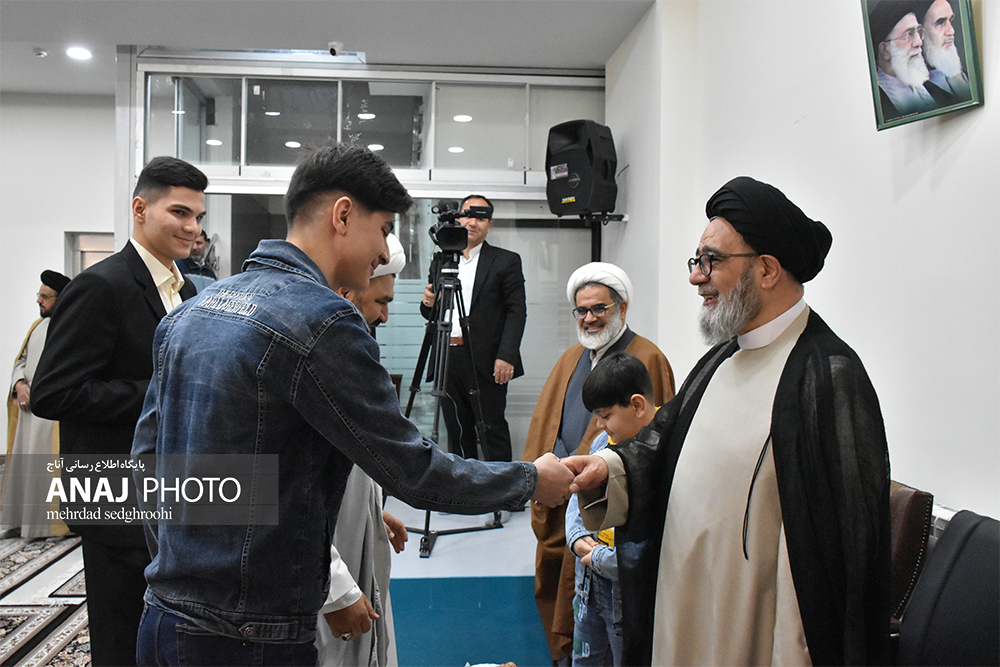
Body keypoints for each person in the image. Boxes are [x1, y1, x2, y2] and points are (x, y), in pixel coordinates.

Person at [131, 143, 573, 666]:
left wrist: (186, 573)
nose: (385, 252)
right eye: (383, 229)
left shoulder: (194, 309)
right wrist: (529, 479)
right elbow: (413, 470)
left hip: (163, 617)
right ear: (342, 215)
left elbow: (148, 466)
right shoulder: (323, 320)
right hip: (251, 636)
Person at [566, 176, 891, 666]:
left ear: (766, 269)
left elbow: (843, 552)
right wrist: (607, 469)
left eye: (711, 261)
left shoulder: (827, 375)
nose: (696, 278)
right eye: (696, 261)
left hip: (752, 634)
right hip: (682, 606)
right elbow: (661, 443)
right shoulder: (720, 359)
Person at [31, 156, 206, 666]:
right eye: (179, 212)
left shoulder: (185, 288)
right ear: (140, 209)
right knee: (121, 641)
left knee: (165, 639)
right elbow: (52, 393)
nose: (192, 228)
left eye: (198, 216)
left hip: (173, 492)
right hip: (115, 496)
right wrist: (158, 393)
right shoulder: (100, 286)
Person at [522, 261, 674, 666]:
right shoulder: (573, 356)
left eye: (599, 308)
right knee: (578, 615)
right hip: (565, 499)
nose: (589, 318)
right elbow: (546, 423)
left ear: (621, 308)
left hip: (609, 521)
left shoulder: (648, 357)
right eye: (582, 310)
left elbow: (654, 447)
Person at [322, 233, 408, 667]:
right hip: (320, 577)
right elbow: (274, 496)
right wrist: (336, 587)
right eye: (381, 301)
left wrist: (371, 509)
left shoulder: (349, 353)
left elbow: (346, 463)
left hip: (349, 537)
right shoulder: (312, 358)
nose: (385, 316)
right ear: (346, 292)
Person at [564, 352, 656, 667]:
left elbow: (654, 547)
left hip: (626, 597)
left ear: (638, 405)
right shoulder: (603, 441)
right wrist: (577, 537)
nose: (599, 425)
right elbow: (578, 495)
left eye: (605, 415)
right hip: (589, 587)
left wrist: (600, 558)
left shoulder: (664, 454)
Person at [420, 195, 526, 462]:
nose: (472, 222)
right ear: (457, 219)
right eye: (467, 214)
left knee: (491, 427)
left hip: (487, 359)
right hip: (447, 356)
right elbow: (432, 314)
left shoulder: (506, 261)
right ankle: (465, 485)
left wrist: (506, 356)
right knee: (456, 428)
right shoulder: (441, 261)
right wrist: (427, 302)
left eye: (480, 217)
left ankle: (503, 485)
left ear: (489, 225)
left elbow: (516, 312)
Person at [2, 270, 72, 539]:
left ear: (60, 298)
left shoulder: (69, 327)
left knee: (46, 467)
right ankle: (22, 522)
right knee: (26, 465)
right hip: (28, 412)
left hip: (51, 414)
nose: (39, 301)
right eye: (39, 295)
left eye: (45, 296)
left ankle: (47, 526)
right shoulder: (36, 327)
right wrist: (20, 384)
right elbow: (21, 361)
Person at [871, 1, 937, 118]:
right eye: (909, 34)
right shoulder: (875, 101)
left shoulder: (933, 89)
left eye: (918, 32)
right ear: (885, 50)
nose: (919, 42)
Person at [920, 0, 972, 102]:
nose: (951, 31)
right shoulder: (916, 92)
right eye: (940, 23)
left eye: (950, 20)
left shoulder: (966, 75)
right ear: (919, 32)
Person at [175, 226, 217, 292]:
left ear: (206, 244)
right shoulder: (178, 268)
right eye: (191, 243)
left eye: (199, 243)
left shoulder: (210, 274)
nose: (194, 247)